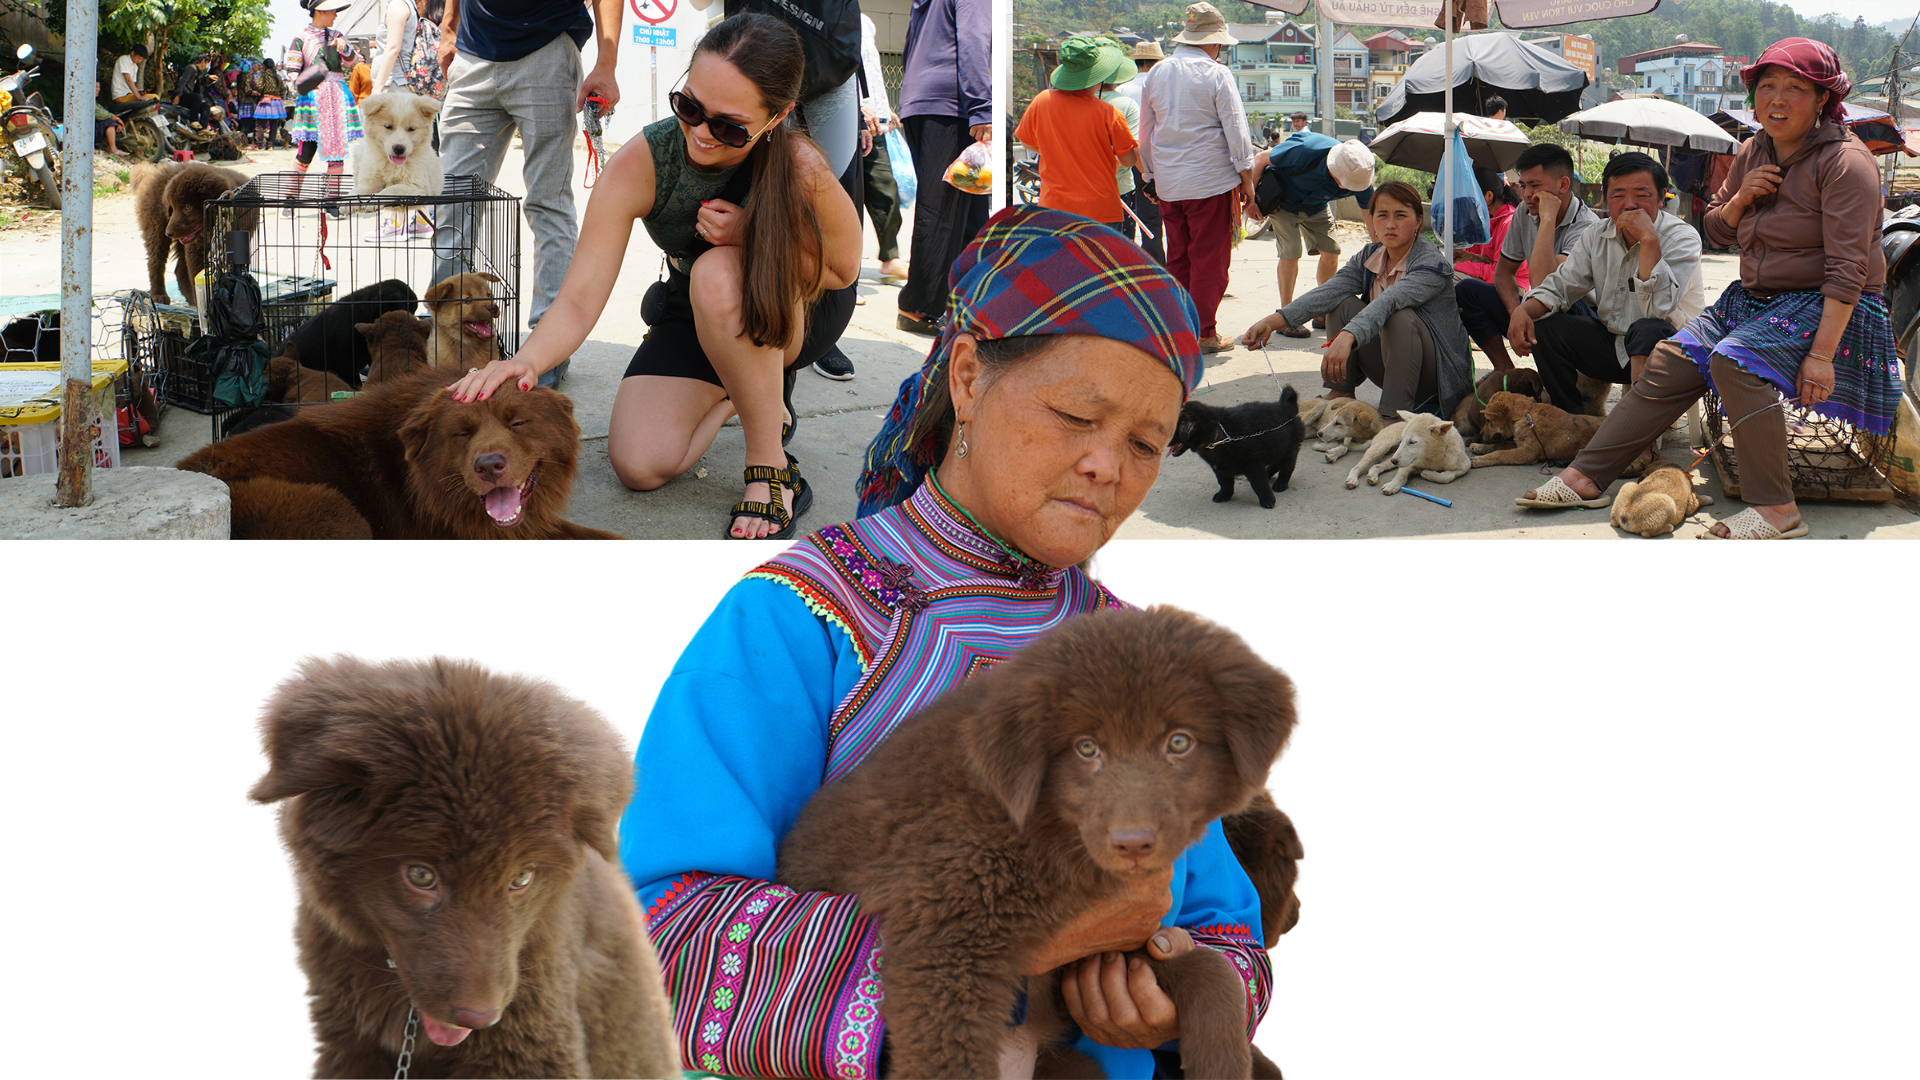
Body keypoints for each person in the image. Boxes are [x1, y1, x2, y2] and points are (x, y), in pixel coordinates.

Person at [623, 207, 1272, 1080]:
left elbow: (1230, 927)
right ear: (967, 376)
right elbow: (658, 927)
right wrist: (1021, 935)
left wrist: (1165, 998)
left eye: (1147, 444)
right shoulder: (804, 614)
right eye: (1079, 415)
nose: (1108, 467)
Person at [444, 14, 859, 541]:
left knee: (716, 271)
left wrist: (748, 238)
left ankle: (771, 466)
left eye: (729, 126)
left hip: (790, 307)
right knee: (639, 465)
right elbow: (579, 296)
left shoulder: (799, 164)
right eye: (689, 107)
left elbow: (843, 270)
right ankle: (750, 394)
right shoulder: (645, 160)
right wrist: (525, 360)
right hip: (695, 307)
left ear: (776, 118)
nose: (701, 133)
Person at [1517, 38, 1902, 540]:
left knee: (1733, 359)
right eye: (1767, 87)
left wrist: (1823, 355)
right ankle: (1586, 475)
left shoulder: (1846, 164)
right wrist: (1741, 199)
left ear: (1823, 99)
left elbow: (1849, 269)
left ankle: (1777, 508)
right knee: (1671, 357)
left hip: (1828, 301)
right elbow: (1717, 233)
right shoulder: (1752, 150)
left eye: (1795, 89)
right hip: (1756, 298)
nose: (1778, 100)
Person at [434, 0, 621, 386]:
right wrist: (449, 27)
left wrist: (607, 63)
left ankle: (547, 349)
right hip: (472, 52)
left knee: (547, 203)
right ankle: (442, 340)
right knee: (452, 204)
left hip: (546, 48)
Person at [1241, 181, 1471, 419]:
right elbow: (1329, 291)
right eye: (1382, 215)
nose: (1390, 224)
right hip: (1394, 368)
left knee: (1399, 316)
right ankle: (1340, 392)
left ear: (1417, 222)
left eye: (1401, 215)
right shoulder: (1369, 255)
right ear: (1372, 221)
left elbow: (1390, 301)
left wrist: (1348, 335)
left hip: (1437, 379)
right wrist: (1272, 322)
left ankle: (1392, 416)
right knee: (1341, 303)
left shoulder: (1431, 263)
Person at [1507, 152, 1704, 419]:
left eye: (1642, 195)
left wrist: (1649, 242)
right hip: (1615, 345)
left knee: (1646, 329)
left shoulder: (1682, 237)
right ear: (1605, 198)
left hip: (1669, 352)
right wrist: (1524, 311)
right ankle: (1569, 423)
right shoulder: (1597, 234)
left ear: (1661, 198)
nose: (1629, 205)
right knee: (1546, 325)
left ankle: (1637, 435)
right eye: (1618, 195)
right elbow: (1562, 285)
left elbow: (1659, 309)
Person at [1139, 2, 1259, 355]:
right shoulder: (1216, 73)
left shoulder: (1157, 73)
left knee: (1179, 258)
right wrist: (1247, 179)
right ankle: (1205, 333)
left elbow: (1146, 133)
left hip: (1170, 184)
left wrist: (1150, 176)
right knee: (1209, 260)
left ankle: (1180, 331)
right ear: (1214, 41)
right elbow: (1237, 131)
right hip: (1210, 181)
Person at [1455, 143, 1600, 372]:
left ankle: (1563, 392)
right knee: (1467, 291)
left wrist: (1548, 220)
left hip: (1580, 315)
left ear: (1563, 184)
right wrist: (1516, 314)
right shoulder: (1524, 212)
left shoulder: (1588, 227)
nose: (1527, 195)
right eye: (1523, 185)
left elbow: (1548, 287)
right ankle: (1506, 372)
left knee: (1547, 308)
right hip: (1534, 308)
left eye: (1535, 185)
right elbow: (1503, 273)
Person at [894, 0, 992, 338]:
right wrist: (982, 107)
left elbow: (909, 44)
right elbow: (975, 41)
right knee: (943, 211)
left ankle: (962, 302)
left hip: (922, 100)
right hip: (952, 106)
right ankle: (918, 307)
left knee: (972, 208)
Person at [1014, 36, 1138, 230]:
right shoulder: (1109, 113)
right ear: (1098, 76)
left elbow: (1027, 143)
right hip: (1100, 210)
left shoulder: (1042, 100)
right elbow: (1128, 161)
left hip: (1054, 208)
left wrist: (1057, 149)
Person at [1260, 133, 1375, 335]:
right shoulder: (1305, 150)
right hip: (1283, 202)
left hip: (1317, 207)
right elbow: (1260, 159)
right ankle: (1287, 317)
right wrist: (1251, 200)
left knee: (1332, 252)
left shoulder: (1360, 174)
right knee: (1291, 252)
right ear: (1334, 169)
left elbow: (1371, 219)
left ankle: (1321, 312)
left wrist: (1382, 250)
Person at [285, 0, 364, 206]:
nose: (335, 15)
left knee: (337, 152)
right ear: (319, 11)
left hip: (336, 99)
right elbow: (292, 71)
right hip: (312, 99)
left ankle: (332, 201)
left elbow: (355, 60)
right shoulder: (301, 38)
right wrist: (303, 83)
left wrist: (345, 47)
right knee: (306, 151)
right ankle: (290, 198)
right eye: (332, 11)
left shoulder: (337, 36)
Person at [858, 10, 907, 292]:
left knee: (887, 190)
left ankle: (890, 257)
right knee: (846, 199)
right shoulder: (830, 14)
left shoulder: (865, 21)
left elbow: (872, 72)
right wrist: (856, 107)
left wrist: (885, 107)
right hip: (849, 120)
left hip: (876, 123)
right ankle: (839, 273)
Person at [1109, 39, 1164, 264]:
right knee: (1152, 221)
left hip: (1126, 161)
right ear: (1157, 63)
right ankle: (1156, 267)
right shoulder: (1160, 87)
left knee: (1129, 219)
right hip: (1154, 160)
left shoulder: (1122, 89)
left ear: (1136, 62)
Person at [249, 58, 290, 148]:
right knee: (274, 123)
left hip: (266, 100)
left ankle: (259, 144)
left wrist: (260, 92)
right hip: (277, 101)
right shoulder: (277, 76)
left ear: (264, 66)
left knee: (260, 123)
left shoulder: (263, 75)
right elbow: (283, 89)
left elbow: (259, 87)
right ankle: (270, 145)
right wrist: (281, 98)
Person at [92, 81, 130, 157]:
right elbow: (99, 113)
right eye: (95, 86)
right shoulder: (87, 100)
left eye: (98, 87)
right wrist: (115, 118)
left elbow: (103, 111)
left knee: (110, 121)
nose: (97, 89)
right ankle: (113, 149)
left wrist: (114, 118)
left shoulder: (94, 101)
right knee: (109, 123)